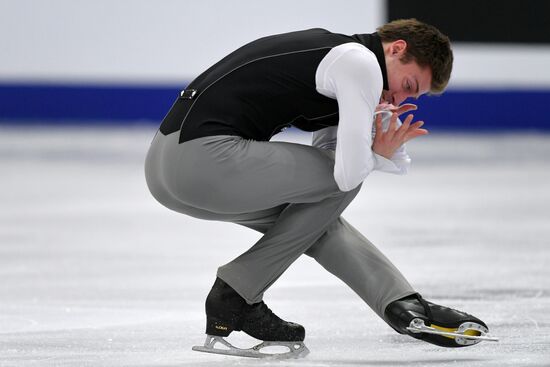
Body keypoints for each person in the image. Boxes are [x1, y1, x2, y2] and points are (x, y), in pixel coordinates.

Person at [144, 18, 496, 358]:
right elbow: (346, 174)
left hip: (168, 171)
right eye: (408, 86)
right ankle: (236, 292)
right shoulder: (359, 63)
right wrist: (377, 156)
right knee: (344, 183)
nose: (403, 99)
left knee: (315, 218)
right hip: (204, 160)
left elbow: (329, 167)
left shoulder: (342, 59)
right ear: (396, 49)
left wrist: (373, 140)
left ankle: (402, 304)